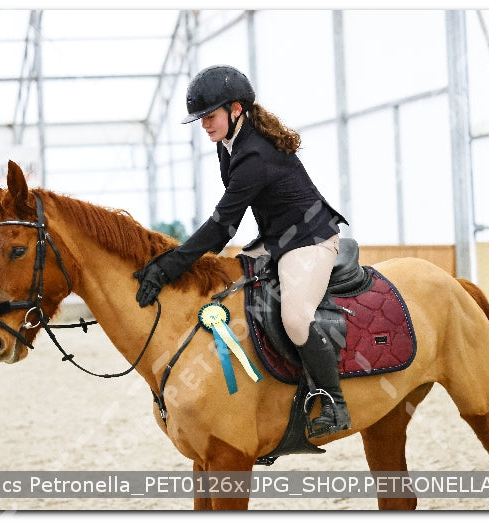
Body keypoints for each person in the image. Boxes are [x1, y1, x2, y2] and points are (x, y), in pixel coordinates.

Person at [134, 64, 350, 437]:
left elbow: (223, 226)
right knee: (222, 287)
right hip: (277, 238)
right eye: (200, 118)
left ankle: (334, 402)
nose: (204, 125)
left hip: (311, 239)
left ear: (236, 109)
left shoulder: (255, 154)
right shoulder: (228, 145)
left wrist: (169, 265)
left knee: (296, 318)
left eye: (210, 116)